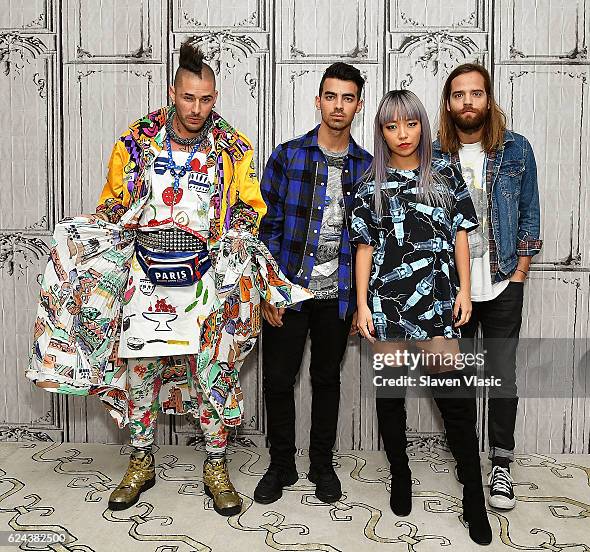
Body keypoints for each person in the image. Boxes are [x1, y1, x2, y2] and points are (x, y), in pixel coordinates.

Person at [28, 40, 310, 516]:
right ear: (172, 91)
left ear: (214, 97)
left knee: (213, 375)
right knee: (140, 372)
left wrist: (240, 255)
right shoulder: (136, 141)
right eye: (188, 98)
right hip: (146, 274)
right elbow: (113, 205)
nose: (197, 109)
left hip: (205, 277)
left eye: (206, 99)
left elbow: (247, 210)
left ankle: (216, 465)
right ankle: (141, 461)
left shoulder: (234, 147)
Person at [351, 89, 492, 545]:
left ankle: (474, 495)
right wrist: (361, 305)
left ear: (422, 126)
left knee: (454, 402)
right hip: (388, 305)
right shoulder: (370, 183)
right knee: (391, 396)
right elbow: (364, 249)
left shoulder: (446, 173)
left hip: (438, 305)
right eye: (391, 126)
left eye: (410, 124)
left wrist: (466, 290)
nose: (402, 134)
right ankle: (400, 475)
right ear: (382, 132)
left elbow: (461, 237)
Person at [255, 62, 372, 505]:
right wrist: (269, 288)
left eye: (347, 98)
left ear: (357, 105)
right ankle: (281, 464)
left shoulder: (367, 165)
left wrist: (363, 303)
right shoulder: (289, 155)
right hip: (289, 292)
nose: (338, 106)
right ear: (318, 100)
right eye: (331, 96)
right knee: (279, 380)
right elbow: (265, 229)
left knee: (326, 379)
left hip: (337, 297)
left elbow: (369, 238)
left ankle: (322, 465)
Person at [434, 63, 542, 510]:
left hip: (501, 284)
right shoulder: (434, 154)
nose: (468, 103)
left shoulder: (517, 149)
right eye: (459, 95)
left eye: (476, 94)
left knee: (501, 377)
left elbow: (530, 214)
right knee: (453, 377)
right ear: (448, 103)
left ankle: (500, 463)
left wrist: (518, 275)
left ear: (489, 98)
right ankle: (466, 458)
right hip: (451, 289)